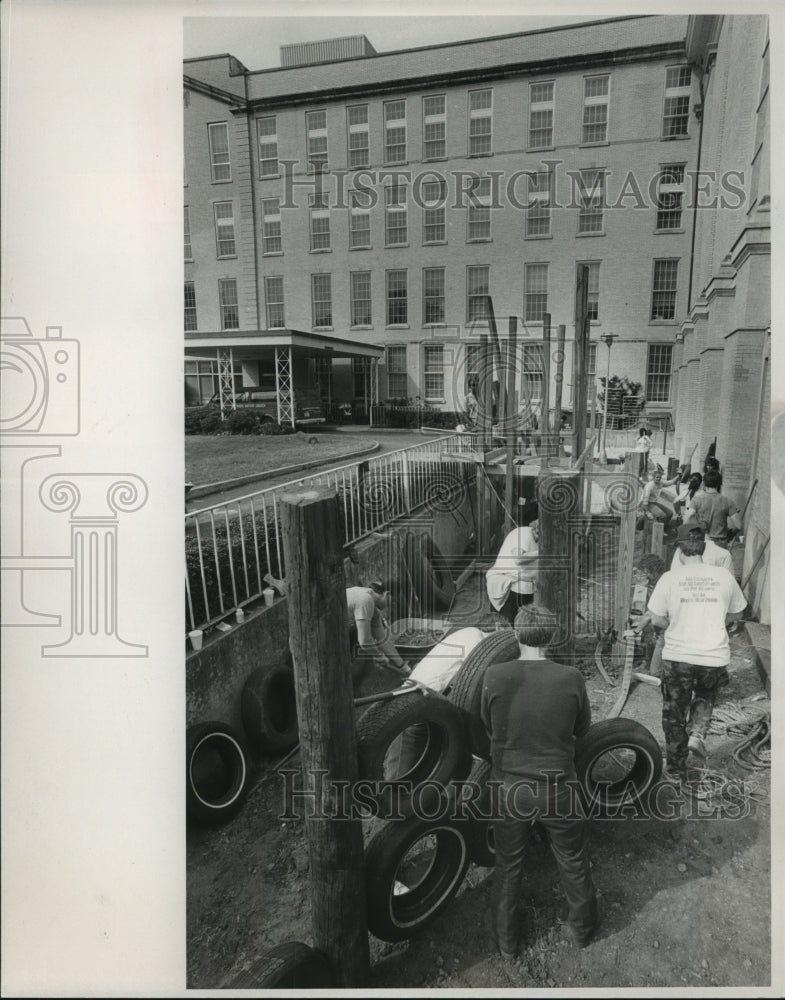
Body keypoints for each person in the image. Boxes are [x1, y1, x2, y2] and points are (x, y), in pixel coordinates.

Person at [481, 605, 598, 959]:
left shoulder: (494, 675)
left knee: (508, 865)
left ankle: (507, 943)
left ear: (516, 634)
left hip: (509, 788)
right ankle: (583, 932)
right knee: (572, 859)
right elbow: (582, 730)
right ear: (551, 636)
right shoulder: (571, 678)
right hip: (558, 787)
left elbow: (489, 727)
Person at [641, 523, 747, 782]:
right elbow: (737, 614)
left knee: (674, 713)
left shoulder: (669, 578)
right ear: (703, 547)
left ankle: (677, 770)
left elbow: (656, 620)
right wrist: (713, 621)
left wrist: (673, 624)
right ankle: (698, 733)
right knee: (705, 695)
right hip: (713, 656)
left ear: (679, 549)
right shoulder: (724, 576)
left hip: (678, 657)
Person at [346, 583, 410, 678]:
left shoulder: (372, 607)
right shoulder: (365, 599)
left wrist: (403, 667)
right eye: (392, 601)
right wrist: (379, 656)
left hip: (342, 628)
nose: (391, 605)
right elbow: (364, 641)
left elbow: (382, 639)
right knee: (363, 663)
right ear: (387, 594)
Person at [485, 522, 539, 624]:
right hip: (510, 584)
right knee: (505, 624)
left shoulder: (540, 540)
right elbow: (519, 559)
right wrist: (545, 551)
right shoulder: (524, 533)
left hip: (526, 585)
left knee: (522, 623)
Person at [691, 469, 741, 548]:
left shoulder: (696, 499)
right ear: (719, 484)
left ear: (704, 483)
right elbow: (738, 526)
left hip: (701, 540)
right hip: (720, 541)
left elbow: (687, 519)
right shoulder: (728, 500)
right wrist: (729, 536)